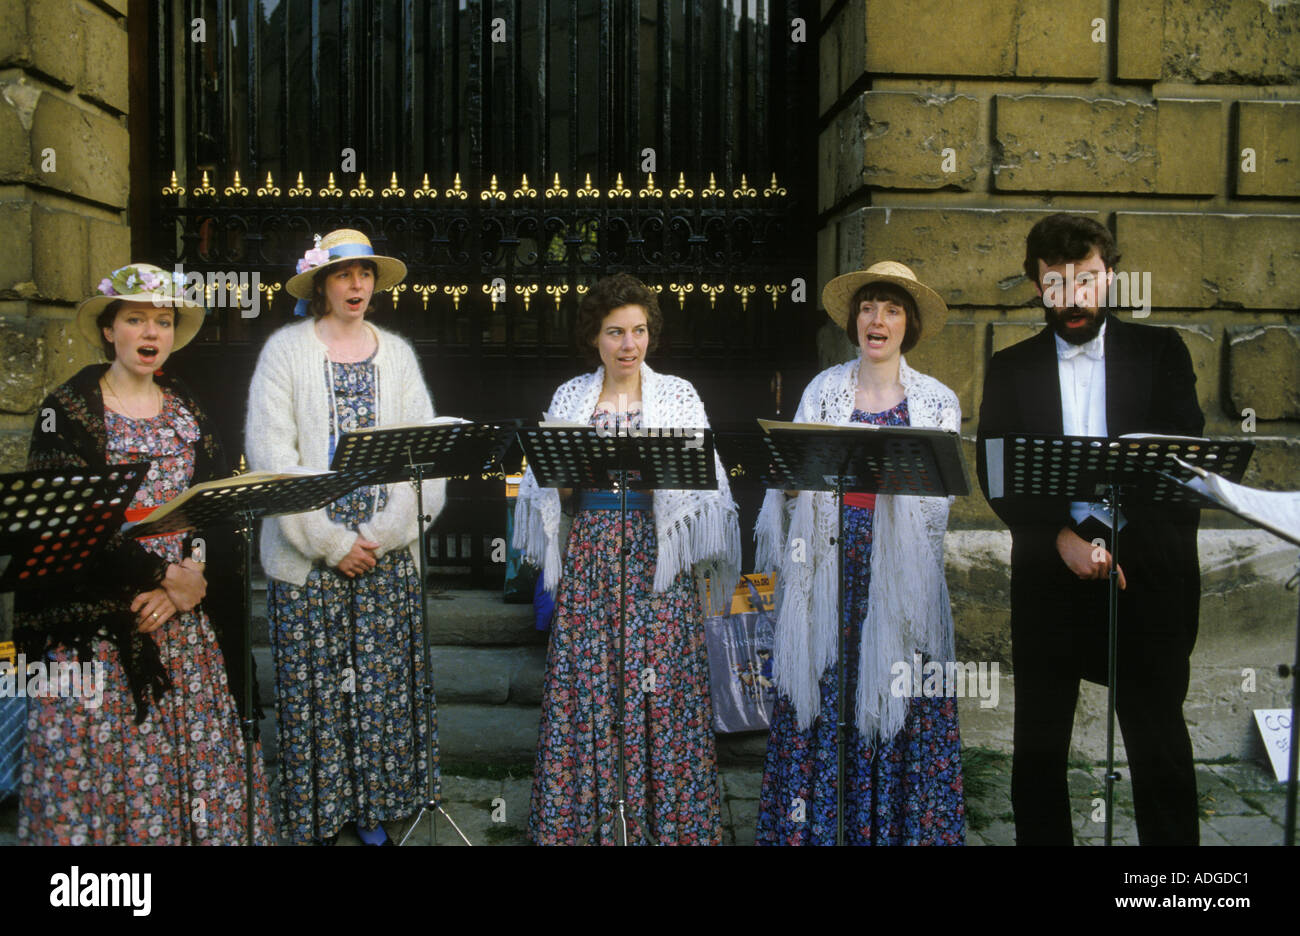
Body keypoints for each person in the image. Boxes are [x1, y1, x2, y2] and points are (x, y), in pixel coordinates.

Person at [14, 262, 274, 845]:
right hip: (101, 628)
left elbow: (213, 506)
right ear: (110, 329)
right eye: (136, 319)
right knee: (107, 778)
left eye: (162, 320)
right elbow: (69, 522)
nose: (151, 333)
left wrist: (191, 576)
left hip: (184, 625)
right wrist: (160, 577)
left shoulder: (187, 406)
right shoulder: (69, 410)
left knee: (197, 766)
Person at [975, 213, 1204, 845]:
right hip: (1052, 572)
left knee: (1159, 744)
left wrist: (1102, 535)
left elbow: (1181, 463)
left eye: (1087, 280)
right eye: (1055, 283)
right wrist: (1062, 539)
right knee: (1040, 747)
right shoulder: (1011, 366)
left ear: (1111, 280)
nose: (1072, 298)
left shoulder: (1163, 353)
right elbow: (995, 472)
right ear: (1036, 285)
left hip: (1147, 575)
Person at [513, 273, 741, 845]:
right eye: (615, 332)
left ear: (650, 336)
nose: (628, 344)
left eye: (638, 331)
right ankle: (585, 827)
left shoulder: (680, 396)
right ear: (596, 336)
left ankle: (668, 826)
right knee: (590, 687)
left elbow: (706, 490)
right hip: (592, 552)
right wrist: (565, 478)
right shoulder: (571, 397)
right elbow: (550, 497)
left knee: (659, 687)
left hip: (657, 560)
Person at [754, 261, 965, 846]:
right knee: (823, 701)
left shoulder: (937, 401)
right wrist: (791, 485)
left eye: (893, 310)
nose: (878, 320)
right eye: (869, 307)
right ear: (855, 320)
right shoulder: (823, 391)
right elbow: (790, 483)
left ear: (908, 325)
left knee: (900, 700)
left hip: (899, 582)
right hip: (828, 575)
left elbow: (934, 509)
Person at [245, 229, 444, 846]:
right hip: (310, 556)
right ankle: (319, 816)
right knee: (317, 695)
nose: (356, 285)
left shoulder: (399, 355)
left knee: (381, 690)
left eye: (364, 275)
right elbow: (272, 455)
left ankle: (374, 810)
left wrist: (379, 538)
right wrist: (332, 544)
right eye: (342, 275)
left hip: (384, 556)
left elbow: (425, 460)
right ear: (322, 285)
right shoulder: (284, 352)